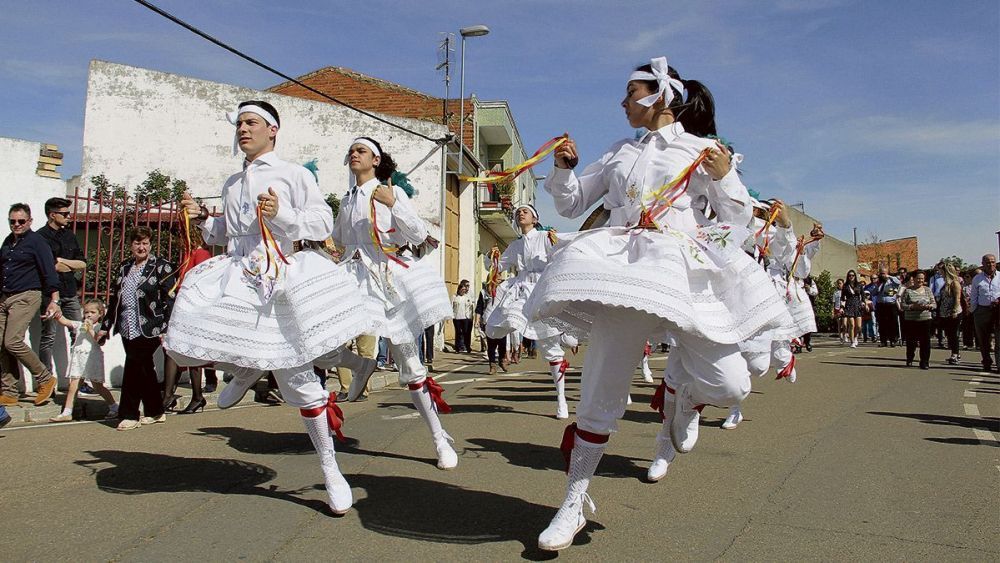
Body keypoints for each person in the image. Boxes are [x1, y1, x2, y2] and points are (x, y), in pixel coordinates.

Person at [524, 56, 792, 551]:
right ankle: (572, 501)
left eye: (632, 92)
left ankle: (683, 398)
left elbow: (736, 219)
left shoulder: (701, 149)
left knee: (732, 386)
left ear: (661, 96)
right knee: (602, 386)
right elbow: (572, 203)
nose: (623, 101)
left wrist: (728, 174)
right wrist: (565, 171)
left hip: (683, 269)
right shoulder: (620, 151)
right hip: (626, 268)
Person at [167, 101, 378, 515]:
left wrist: (281, 213)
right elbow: (225, 234)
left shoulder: (294, 174)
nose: (243, 130)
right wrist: (201, 218)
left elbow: (319, 224)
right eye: (240, 124)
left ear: (272, 130)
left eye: (251, 123)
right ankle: (245, 369)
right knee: (201, 324)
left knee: (299, 382)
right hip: (237, 274)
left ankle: (331, 468)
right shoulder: (230, 183)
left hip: (277, 275)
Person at [316, 136, 458, 472]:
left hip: (388, 280)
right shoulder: (348, 198)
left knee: (411, 368)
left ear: (376, 160)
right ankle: (361, 365)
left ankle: (439, 437)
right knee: (320, 340)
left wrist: (395, 203)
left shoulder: (390, 192)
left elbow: (417, 235)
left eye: (361, 150)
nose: (353, 154)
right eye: (350, 150)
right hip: (354, 277)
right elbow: (337, 240)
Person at [486, 204, 576, 419]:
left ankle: (561, 399)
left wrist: (556, 251)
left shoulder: (546, 236)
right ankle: (518, 343)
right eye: (518, 212)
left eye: (525, 211)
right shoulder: (516, 245)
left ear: (535, 219)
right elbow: (499, 266)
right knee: (505, 316)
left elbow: (567, 245)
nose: (520, 213)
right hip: (522, 290)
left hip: (543, 288)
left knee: (550, 348)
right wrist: (493, 258)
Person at [97, 227, 175, 430]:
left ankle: (129, 414)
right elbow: (115, 299)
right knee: (144, 368)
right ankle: (156, 411)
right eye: (137, 243)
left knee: (133, 365)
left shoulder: (161, 266)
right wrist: (106, 326)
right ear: (130, 245)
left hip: (151, 327)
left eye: (145, 243)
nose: (142, 247)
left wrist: (167, 328)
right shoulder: (124, 267)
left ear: (151, 244)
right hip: (127, 325)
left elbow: (170, 300)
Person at [0, 203, 61, 407]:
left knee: (12, 341)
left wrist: (54, 300)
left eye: (21, 221)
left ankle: (45, 378)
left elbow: (49, 272)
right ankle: (9, 391)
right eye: (13, 221)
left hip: (26, 295)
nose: (16, 225)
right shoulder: (9, 241)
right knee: (1, 344)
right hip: (4, 297)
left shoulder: (37, 242)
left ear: (30, 221)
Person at [161, 226, 213, 414]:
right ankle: (176, 395)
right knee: (175, 350)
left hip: (194, 309)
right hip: (183, 307)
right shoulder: (189, 254)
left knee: (187, 352)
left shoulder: (201, 254)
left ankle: (184, 396)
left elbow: (202, 282)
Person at [36, 197, 87, 378]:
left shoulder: (70, 236)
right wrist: (62, 265)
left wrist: (63, 261)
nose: (68, 217)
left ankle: (79, 379)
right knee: (48, 337)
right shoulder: (40, 237)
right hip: (50, 295)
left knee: (79, 334)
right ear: (52, 215)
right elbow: (50, 267)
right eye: (64, 214)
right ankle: (46, 380)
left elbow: (82, 264)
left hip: (70, 292)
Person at [49, 298, 118, 422]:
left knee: (98, 386)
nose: (89, 315)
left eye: (92, 312)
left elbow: (99, 341)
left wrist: (91, 328)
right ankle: (67, 412)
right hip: (79, 358)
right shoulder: (80, 325)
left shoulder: (100, 327)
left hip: (92, 358)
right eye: (86, 312)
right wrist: (57, 315)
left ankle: (114, 406)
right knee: (73, 385)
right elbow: (66, 322)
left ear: (100, 313)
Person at [898, 271, 936, 369]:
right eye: (918, 278)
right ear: (913, 279)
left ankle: (924, 361)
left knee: (925, 342)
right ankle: (910, 358)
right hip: (911, 320)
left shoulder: (927, 290)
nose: (920, 280)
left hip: (925, 318)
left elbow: (934, 303)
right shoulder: (907, 291)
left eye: (922, 279)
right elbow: (903, 305)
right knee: (911, 341)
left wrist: (929, 306)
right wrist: (912, 306)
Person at [969, 254, 999, 372]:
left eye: (992, 262)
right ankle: (986, 361)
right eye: (987, 262)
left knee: (999, 339)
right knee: (983, 339)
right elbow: (973, 296)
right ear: (983, 264)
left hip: (998, 311)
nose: (990, 264)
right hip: (982, 310)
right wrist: (974, 311)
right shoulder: (977, 278)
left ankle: (999, 364)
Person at [476, 282, 507, 374]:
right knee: (491, 345)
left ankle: (501, 360)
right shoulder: (483, 293)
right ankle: (492, 365)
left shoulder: (504, 292)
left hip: (500, 321)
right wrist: (477, 320)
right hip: (488, 321)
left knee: (502, 344)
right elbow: (479, 307)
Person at [938, 263, 963, 365]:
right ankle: (955, 352)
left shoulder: (955, 283)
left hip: (953, 312)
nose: (940, 273)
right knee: (949, 334)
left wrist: (954, 310)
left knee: (953, 334)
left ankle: (955, 354)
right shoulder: (945, 284)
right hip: (945, 312)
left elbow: (957, 298)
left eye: (942, 271)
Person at [874, 267, 902, 347]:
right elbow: (874, 292)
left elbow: (898, 283)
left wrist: (889, 276)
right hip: (881, 304)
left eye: (884, 273)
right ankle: (883, 340)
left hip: (891, 304)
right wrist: (877, 287)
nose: (882, 275)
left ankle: (893, 340)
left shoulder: (892, 281)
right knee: (882, 323)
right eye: (881, 273)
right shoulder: (879, 282)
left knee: (892, 323)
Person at [841, 270, 863, 347]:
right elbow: (842, 297)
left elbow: (862, 295)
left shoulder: (859, 285)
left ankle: (856, 337)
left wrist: (864, 303)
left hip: (857, 305)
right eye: (850, 275)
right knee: (852, 325)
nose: (851, 277)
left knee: (859, 326)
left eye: (853, 275)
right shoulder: (845, 286)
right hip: (849, 305)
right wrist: (842, 307)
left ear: (855, 276)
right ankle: (852, 341)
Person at [451, 279, 475, 353]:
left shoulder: (467, 297)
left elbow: (471, 306)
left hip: (465, 317)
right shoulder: (454, 297)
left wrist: (471, 316)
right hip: (456, 317)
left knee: (466, 332)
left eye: (464, 290)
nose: (463, 291)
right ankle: (457, 348)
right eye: (462, 289)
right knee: (458, 332)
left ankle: (467, 347)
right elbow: (451, 306)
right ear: (459, 289)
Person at [833, 278, 845, 343]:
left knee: (845, 323)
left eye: (840, 283)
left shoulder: (845, 291)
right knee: (839, 323)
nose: (839, 285)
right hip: (837, 309)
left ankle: (844, 334)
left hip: (844, 308)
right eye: (838, 283)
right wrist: (833, 312)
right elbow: (833, 302)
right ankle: (840, 336)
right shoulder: (835, 292)